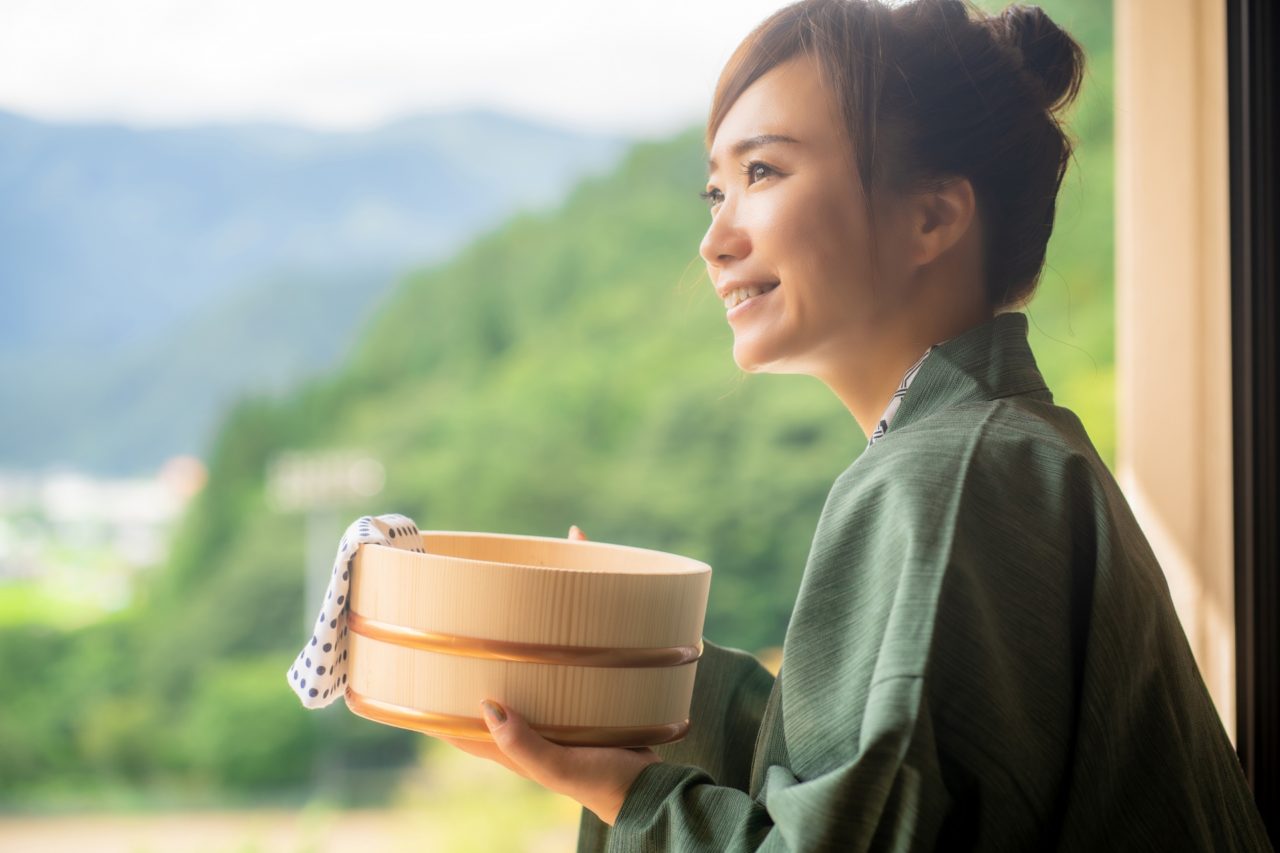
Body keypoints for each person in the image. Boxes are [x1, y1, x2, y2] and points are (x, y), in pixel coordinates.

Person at [437, 0, 1276, 849]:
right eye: (714, 191)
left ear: (932, 218)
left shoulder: (948, 477)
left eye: (762, 173)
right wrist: (638, 672)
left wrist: (633, 794)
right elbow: (882, 768)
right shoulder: (995, 455)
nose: (714, 240)